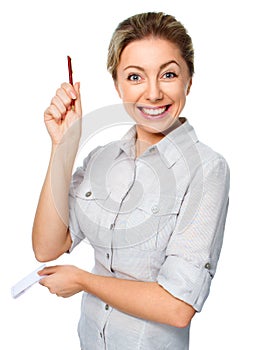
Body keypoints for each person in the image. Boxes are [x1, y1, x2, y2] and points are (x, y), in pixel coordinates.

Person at [32, 12, 230, 350]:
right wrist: (63, 147)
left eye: (168, 74)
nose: (152, 93)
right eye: (135, 76)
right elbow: (48, 247)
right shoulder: (102, 158)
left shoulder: (207, 169)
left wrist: (83, 280)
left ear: (189, 81)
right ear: (117, 85)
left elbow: (177, 307)